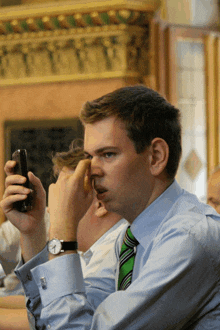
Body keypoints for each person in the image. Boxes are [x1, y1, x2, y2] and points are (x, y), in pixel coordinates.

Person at [1, 85, 220, 329]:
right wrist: (33, 232)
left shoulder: (188, 238)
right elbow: (53, 320)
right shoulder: (129, 239)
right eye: (90, 156)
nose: (92, 170)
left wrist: (63, 232)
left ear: (156, 157)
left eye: (107, 154)